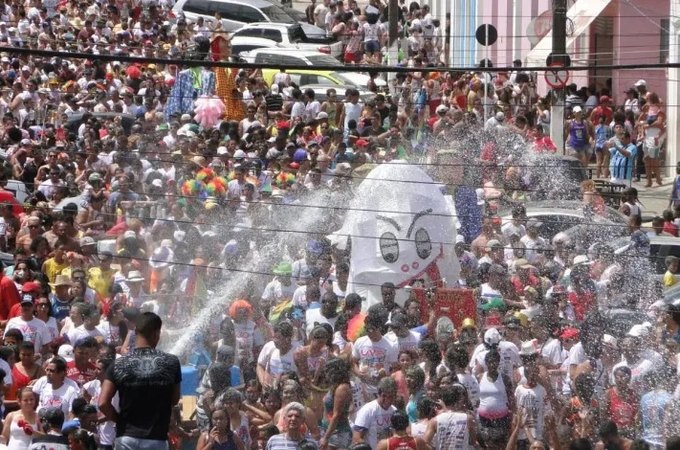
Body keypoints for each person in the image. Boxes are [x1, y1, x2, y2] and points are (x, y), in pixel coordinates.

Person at [99, 312, 181, 450]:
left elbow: (102, 403)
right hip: (156, 439)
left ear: (135, 333)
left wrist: (120, 421)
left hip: (126, 438)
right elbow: (174, 399)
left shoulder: (119, 364)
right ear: (156, 334)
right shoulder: (171, 362)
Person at [424, 384, 476, 449]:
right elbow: (473, 441)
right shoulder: (468, 419)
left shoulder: (434, 421)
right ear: (458, 401)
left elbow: (425, 443)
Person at [352, 377, 398, 449]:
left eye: (391, 397)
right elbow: (357, 438)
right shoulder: (368, 410)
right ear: (378, 394)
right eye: (384, 396)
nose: (387, 400)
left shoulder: (394, 411)